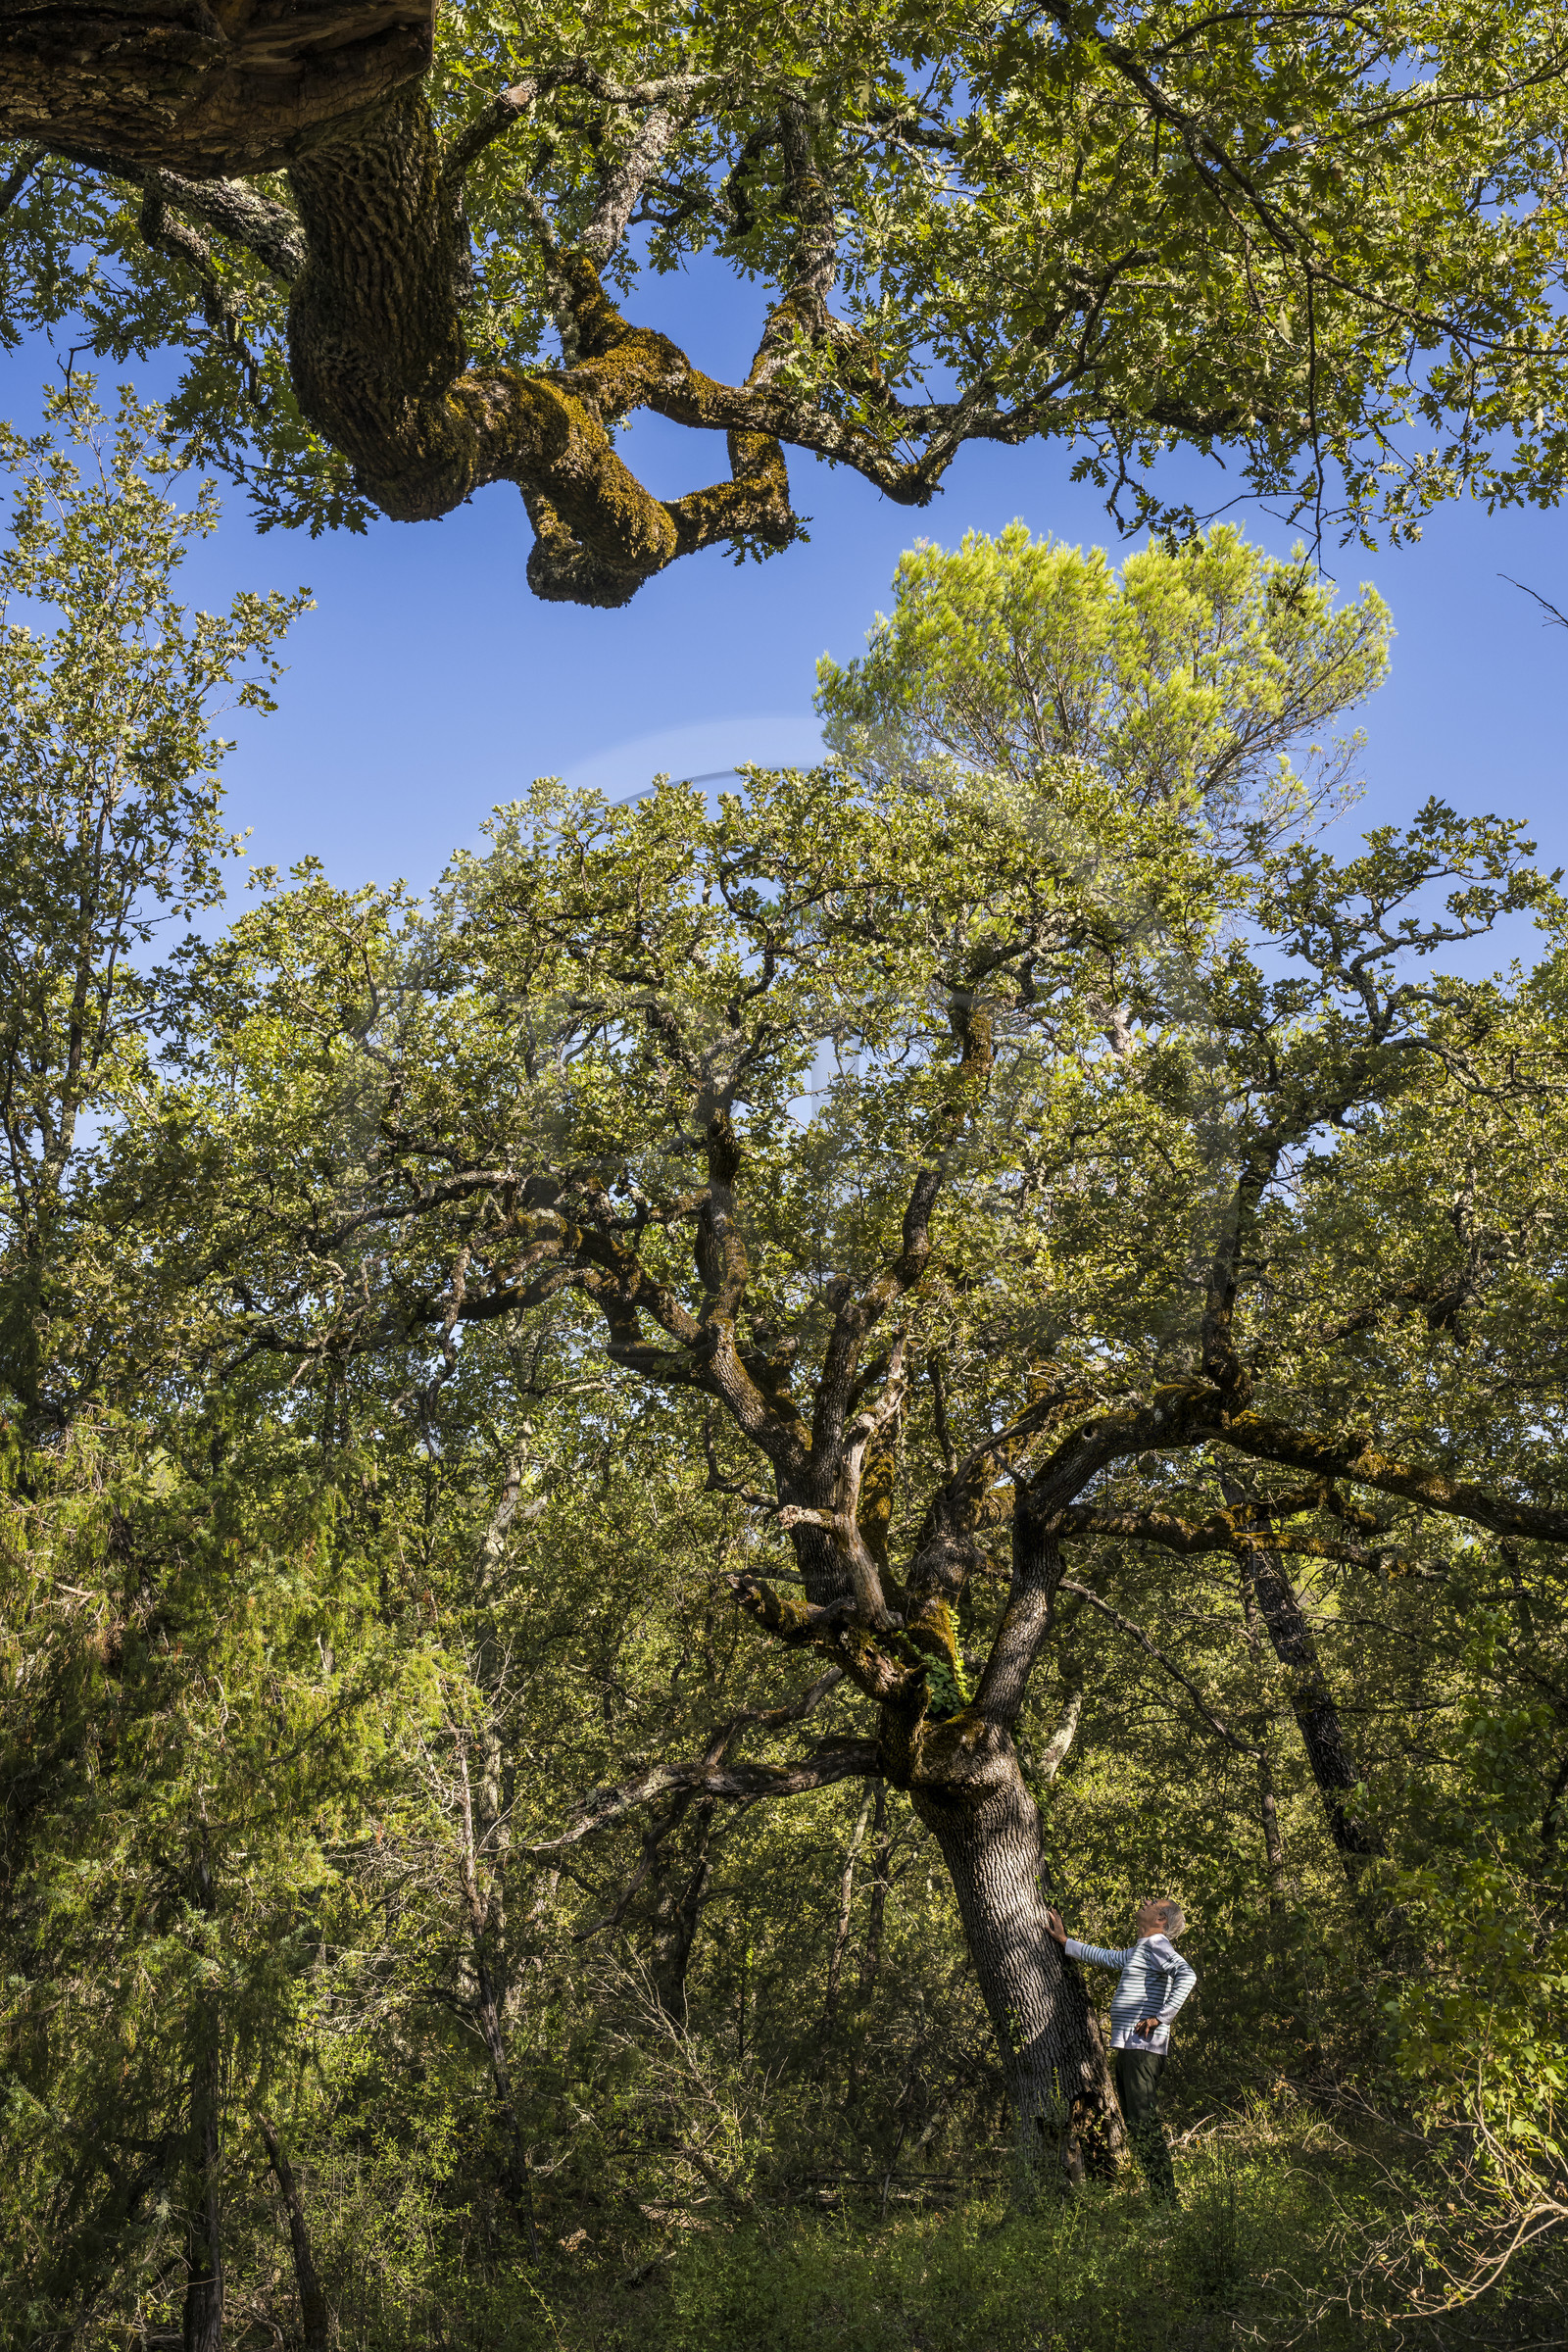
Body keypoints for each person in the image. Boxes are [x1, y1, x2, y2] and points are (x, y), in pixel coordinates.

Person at [1045, 1896, 1196, 2206]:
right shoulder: (1143, 1950)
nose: (1146, 1902)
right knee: (1137, 2123)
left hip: (1143, 2050)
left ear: (1161, 1920)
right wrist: (1064, 1941)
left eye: (1154, 1902)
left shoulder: (1158, 1946)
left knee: (1143, 2122)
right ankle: (1163, 2199)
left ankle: (1167, 2203)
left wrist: (1160, 2017)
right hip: (1132, 2049)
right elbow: (1108, 1957)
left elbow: (1187, 1975)